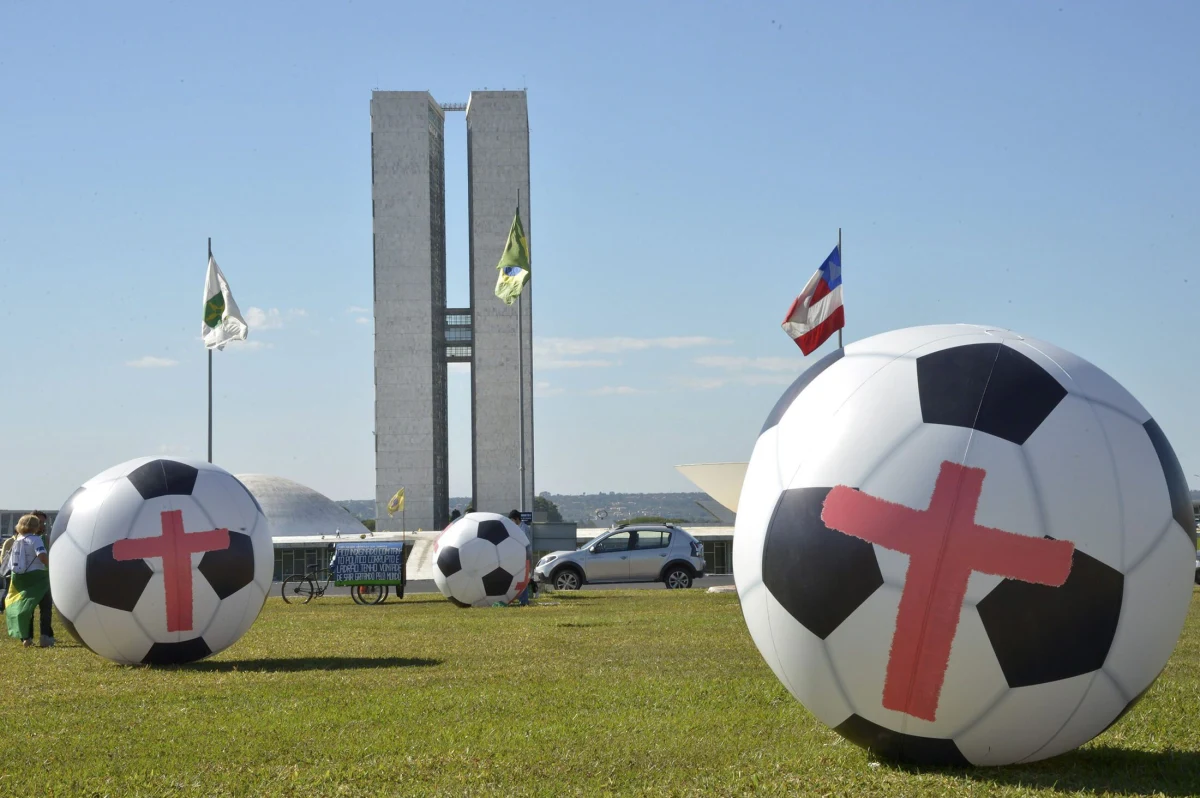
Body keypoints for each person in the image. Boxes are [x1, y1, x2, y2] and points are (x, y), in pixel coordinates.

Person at [4, 515, 49, 647]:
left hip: (19, 577)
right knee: (45, 608)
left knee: (24, 608)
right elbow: (42, 556)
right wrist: (52, 565)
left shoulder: (18, 539)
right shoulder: (36, 540)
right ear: (36, 526)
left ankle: (26, 638)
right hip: (38, 578)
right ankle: (45, 637)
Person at [31, 511, 53, 647]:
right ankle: (27, 637)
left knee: (46, 609)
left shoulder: (47, 539)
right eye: (39, 522)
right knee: (29, 610)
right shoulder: (21, 539)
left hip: (45, 579)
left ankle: (46, 636)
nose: (42, 525)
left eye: (43, 523)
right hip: (30, 579)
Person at [509, 510, 534, 605]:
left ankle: (524, 600)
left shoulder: (524, 528)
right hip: (520, 555)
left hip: (525, 556)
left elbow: (526, 544)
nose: (511, 522)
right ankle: (521, 599)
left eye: (512, 519)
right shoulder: (518, 528)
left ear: (516, 519)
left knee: (523, 577)